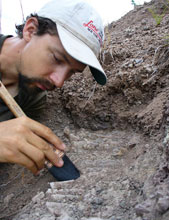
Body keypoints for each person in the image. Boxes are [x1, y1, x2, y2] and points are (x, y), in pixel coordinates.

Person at [0, 0, 107, 175]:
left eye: (72, 72)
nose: (59, 82)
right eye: (57, 59)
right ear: (31, 30)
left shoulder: (34, 96)